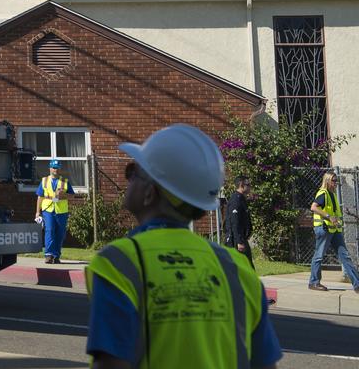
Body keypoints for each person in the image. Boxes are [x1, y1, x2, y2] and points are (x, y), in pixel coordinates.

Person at [85, 124, 282, 369]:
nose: (127, 178)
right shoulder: (238, 269)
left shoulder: (117, 265)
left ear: (150, 192)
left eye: (133, 171)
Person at [307, 170, 359, 292]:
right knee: (319, 256)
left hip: (334, 229)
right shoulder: (323, 193)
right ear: (327, 181)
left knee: (345, 256)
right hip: (324, 228)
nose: (336, 183)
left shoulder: (332, 194)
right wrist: (329, 217)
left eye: (336, 181)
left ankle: (357, 284)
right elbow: (314, 207)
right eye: (333, 180)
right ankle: (313, 282)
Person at [34, 159, 70, 264]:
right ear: (50, 168)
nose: (56, 170)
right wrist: (37, 212)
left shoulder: (65, 181)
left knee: (60, 233)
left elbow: (72, 195)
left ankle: (56, 255)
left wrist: (63, 195)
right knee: (49, 230)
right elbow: (39, 197)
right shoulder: (44, 181)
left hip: (61, 211)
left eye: (57, 167)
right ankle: (48, 255)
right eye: (54, 167)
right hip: (48, 209)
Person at [224, 176, 255, 268]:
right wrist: (239, 241)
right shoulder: (236, 200)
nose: (250, 187)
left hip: (240, 239)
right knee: (246, 268)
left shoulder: (241, 199)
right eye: (248, 185)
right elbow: (235, 222)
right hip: (235, 241)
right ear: (241, 185)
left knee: (244, 268)